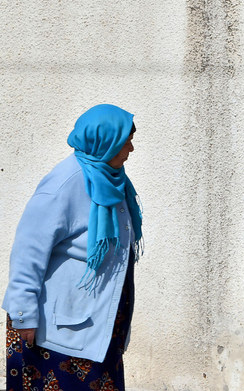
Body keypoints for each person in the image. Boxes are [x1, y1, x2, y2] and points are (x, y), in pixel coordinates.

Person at [3, 104, 142, 390]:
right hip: (55, 334)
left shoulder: (112, 181)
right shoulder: (65, 184)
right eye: (125, 141)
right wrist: (22, 314)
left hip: (96, 326)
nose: (130, 148)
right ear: (105, 140)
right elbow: (28, 252)